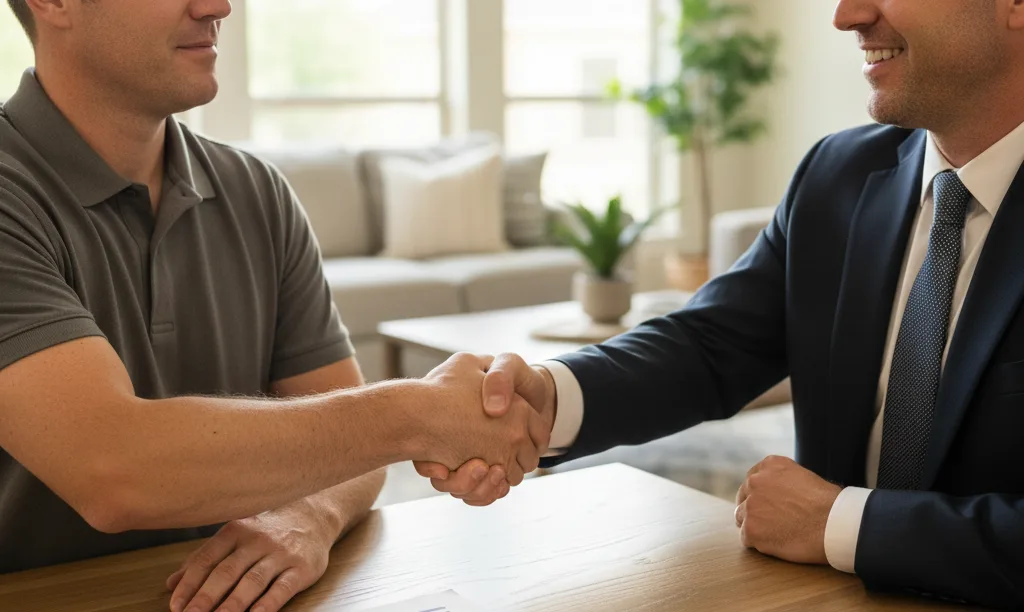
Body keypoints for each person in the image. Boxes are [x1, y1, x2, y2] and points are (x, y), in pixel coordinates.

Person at [418, 0, 1024, 608]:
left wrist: (842, 524)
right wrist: (546, 397)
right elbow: (711, 345)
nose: (846, 15)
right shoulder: (837, 173)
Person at [0, 1, 550, 612]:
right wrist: (417, 414)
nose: (217, 5)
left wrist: (309, 512)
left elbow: (351, 447)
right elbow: (112, 469)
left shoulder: (256, 192)